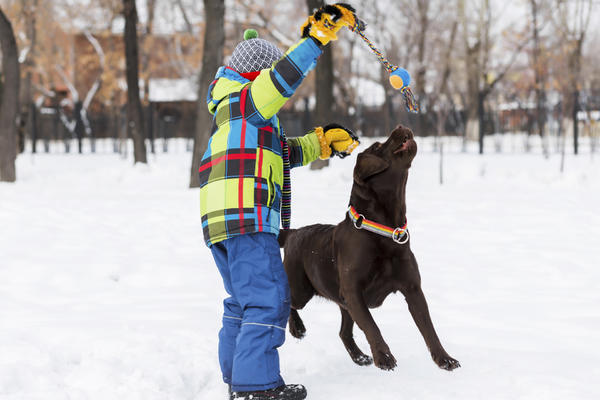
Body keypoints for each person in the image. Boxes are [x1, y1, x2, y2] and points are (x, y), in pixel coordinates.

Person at [198, 4, 361, 399]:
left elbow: (280, 154)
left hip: (222, 224)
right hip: (247, 219)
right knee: (270, 298)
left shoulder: (235, 118)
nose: (280, 101)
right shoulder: (246, 102)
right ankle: (256, 387)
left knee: (243, 300)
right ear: (256, 76)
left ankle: (237, 374)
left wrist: (320, 144)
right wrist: (315, 39)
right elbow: (282, 78)